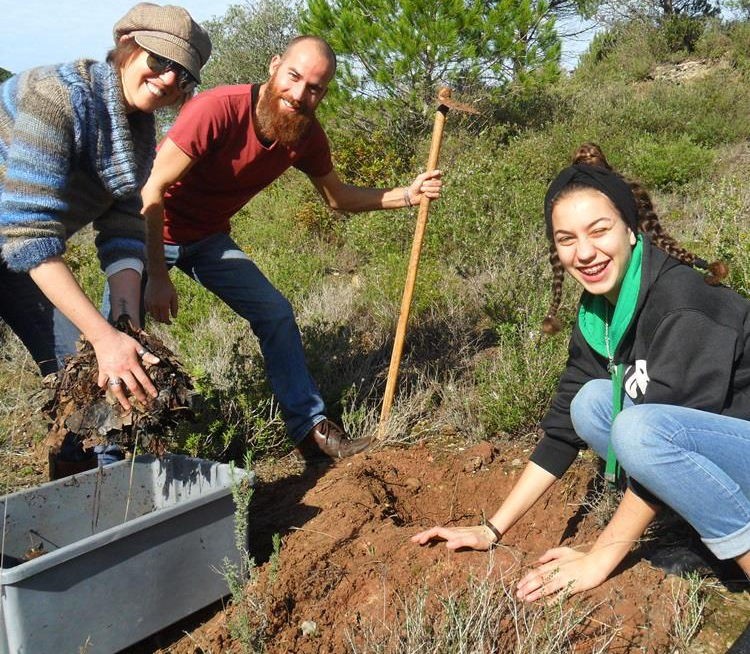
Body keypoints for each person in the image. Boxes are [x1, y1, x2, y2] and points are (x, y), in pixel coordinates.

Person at [413, 142, 750, 601]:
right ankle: (708, 537)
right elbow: (560, 433)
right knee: (590, 402)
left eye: (599, 231)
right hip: (725, 452)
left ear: (631, 229)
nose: (585, 253)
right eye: (567, 239)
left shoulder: (681, 303)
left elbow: (654, 439)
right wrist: (491, 529)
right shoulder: (600, 314)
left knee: (639, 429)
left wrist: (599, 559)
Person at [139, 35, 443, 461]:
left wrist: (406, 195)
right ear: (274, 65)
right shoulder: (217, 108)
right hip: (146, 231)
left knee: (275, 312)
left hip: (206, 239)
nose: (299, 94)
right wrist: (156, 273)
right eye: (294, 77)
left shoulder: (305, 136)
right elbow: (151, 188)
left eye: (314, 87)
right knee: (118, 334)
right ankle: (105, 455)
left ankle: (311, 432)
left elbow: (337, 198)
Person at [0, 3, 211, 467]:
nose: (170, 79)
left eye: (184, 75)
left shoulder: (134, 128)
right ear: (126, 47)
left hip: (14, 259)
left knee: (84, 384)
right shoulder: (54, 97)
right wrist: (102, 336)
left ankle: (80, 513)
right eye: (160, 60)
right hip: (17, 244)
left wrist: (121, 325)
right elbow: (28, 231)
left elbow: (124, 223)